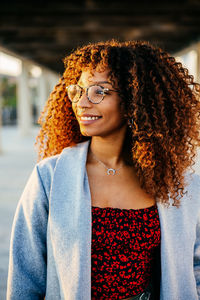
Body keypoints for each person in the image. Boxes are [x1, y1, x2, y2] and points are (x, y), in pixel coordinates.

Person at [7, 39, 200, 300]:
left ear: (135, 99)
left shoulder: (177, 182)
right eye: (77, 91)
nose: (82, 103)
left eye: (99, 92)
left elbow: (194, 265)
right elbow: (25, 276)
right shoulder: (50, 177)